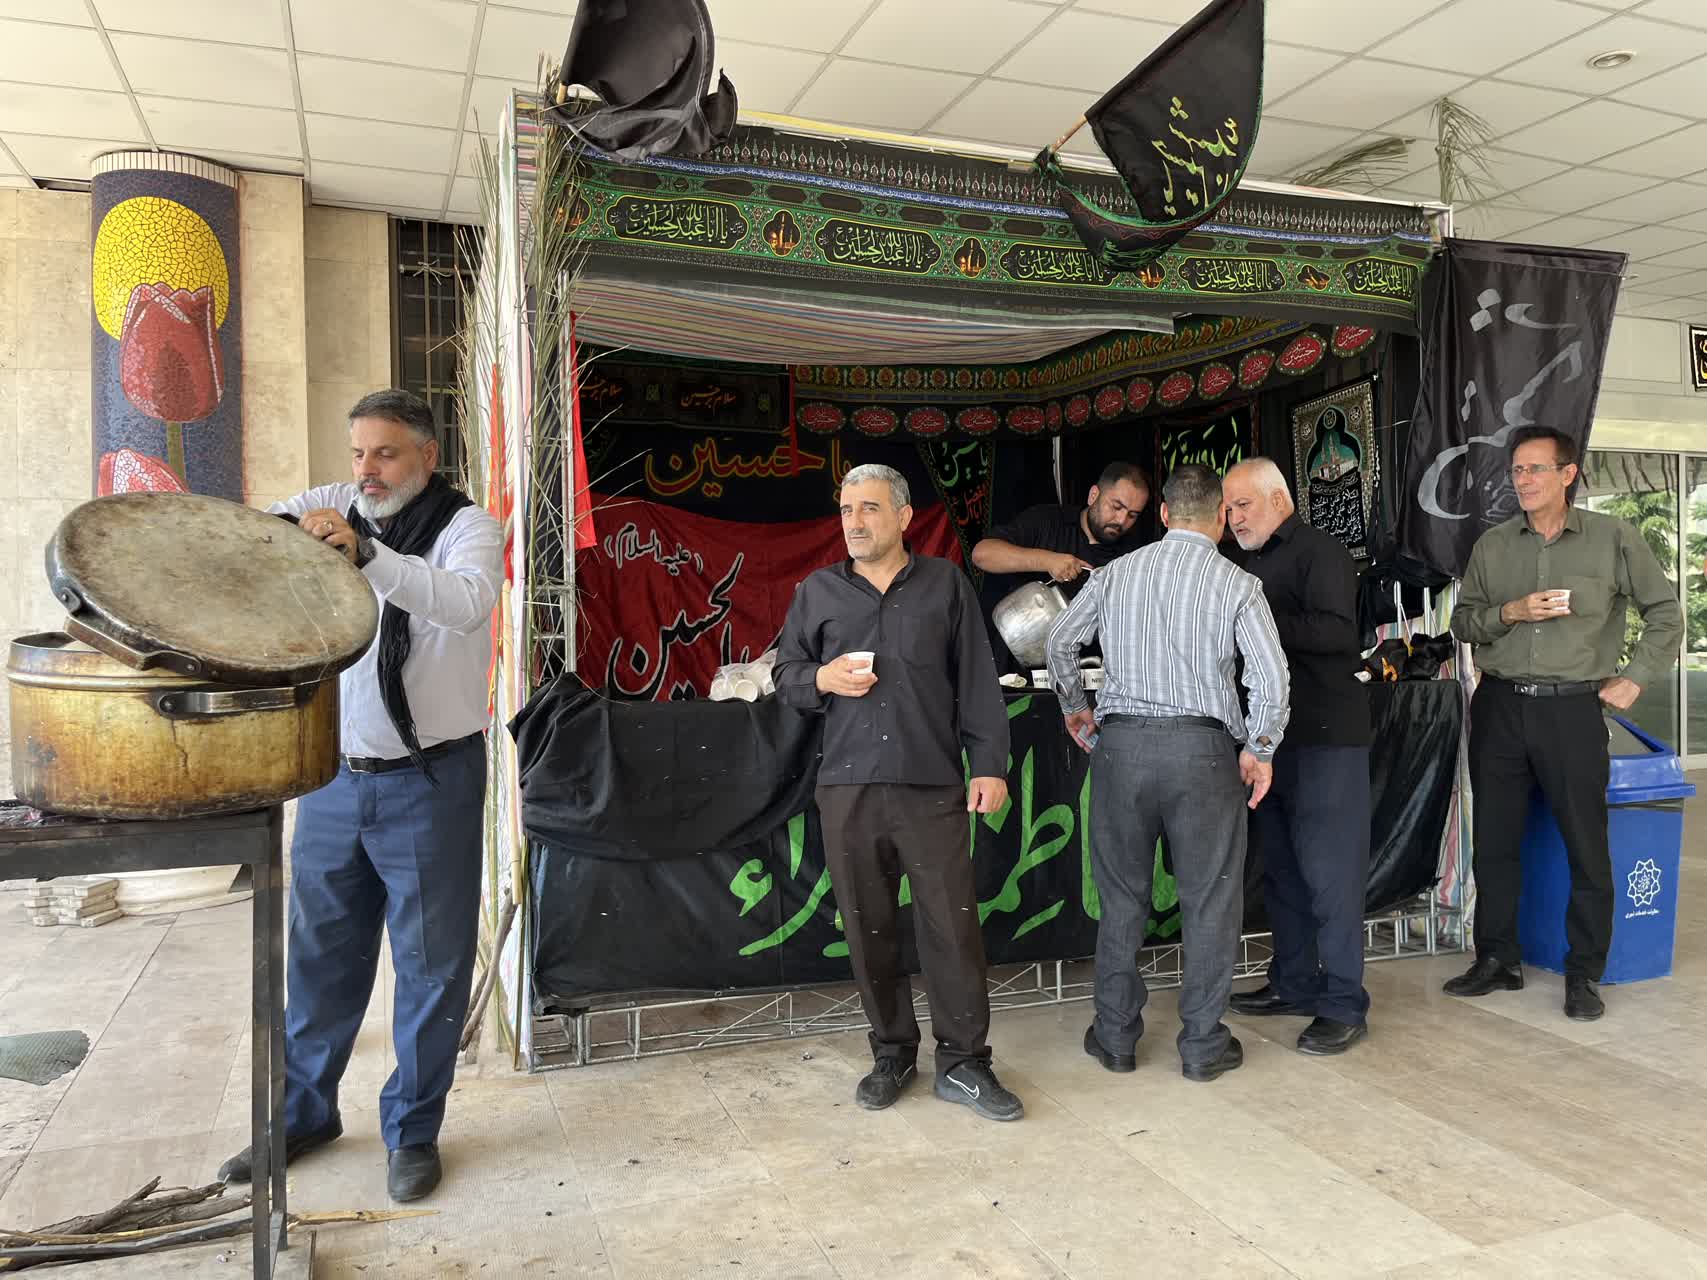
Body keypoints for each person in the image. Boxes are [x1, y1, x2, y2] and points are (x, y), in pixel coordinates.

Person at [217, 389, 504, 1201]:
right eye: (357, 453)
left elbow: (465, 604)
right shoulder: (336, 502)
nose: (366, 470)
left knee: (429, 966)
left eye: (385, 453)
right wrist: (298, 531)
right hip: (335, 780)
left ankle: (412, 1131)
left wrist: (368, 555)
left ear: (426, 456)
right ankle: (303, 1115)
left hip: (432, 780)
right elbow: (254, 534)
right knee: (319, 959)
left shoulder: (468, 528)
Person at [772, 463, 1022, 1122]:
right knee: (867, 925)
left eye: (870, 508)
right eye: (846, 509)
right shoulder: (818, 592)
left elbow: (977, 681)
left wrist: (989, 766)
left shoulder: (944, 584)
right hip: (847, 786)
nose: (854, 522)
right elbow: (786, 674)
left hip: (930, 783)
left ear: (905, 516)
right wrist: (821, 678)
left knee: (951, 926)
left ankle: (964, 1063)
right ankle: (891, 1052)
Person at [1045, 464, 1289, 1082]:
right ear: (1220, 519)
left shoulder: (1115, 574)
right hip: (1203, 754)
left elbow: (1059, 642)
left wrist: (1076, 706)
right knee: (1209, 900)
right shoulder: (1238, 583)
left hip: (1122, 749)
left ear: (1162, 515)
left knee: (1121, 897)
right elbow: (1272, 677)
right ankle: (1202, 1046)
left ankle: (1115, 1037)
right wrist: (1260, 747)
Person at [1447, 426, 1680, 1021]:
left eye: (1535, 469)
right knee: (1495, 842)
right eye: (1516, 471)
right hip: (1500, 706)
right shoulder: (1494, 546)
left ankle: (1584, 973)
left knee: (1586, 845)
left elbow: (1665, 613)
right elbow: (1463, 622)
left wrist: (1635, 678)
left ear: (1567, 474)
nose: (1522, 480)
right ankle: (1497, 958)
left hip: (1573, 710)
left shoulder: (1613, 538)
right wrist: (1511, 611)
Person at [1221, 458, 1372, 1055]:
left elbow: (1338, 633)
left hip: (1325, 737)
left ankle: (1344, 1003)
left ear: (1279, 499)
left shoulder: (1320, 552)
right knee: (1282, 872)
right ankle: (1294, 982)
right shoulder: (1238, 562)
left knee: (1331, 878)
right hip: (1267, 743)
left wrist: (1255, 620)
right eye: (1228, 508)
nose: (1234, 518)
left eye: (1243, 505)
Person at [972, 460, 1151, 590]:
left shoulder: (1133, 555)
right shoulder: (1048, 520)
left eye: (1132, 515)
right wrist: (1047, 561)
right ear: (1093, 496)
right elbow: (982, 554)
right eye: (1116, 507)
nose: (1121, 520)